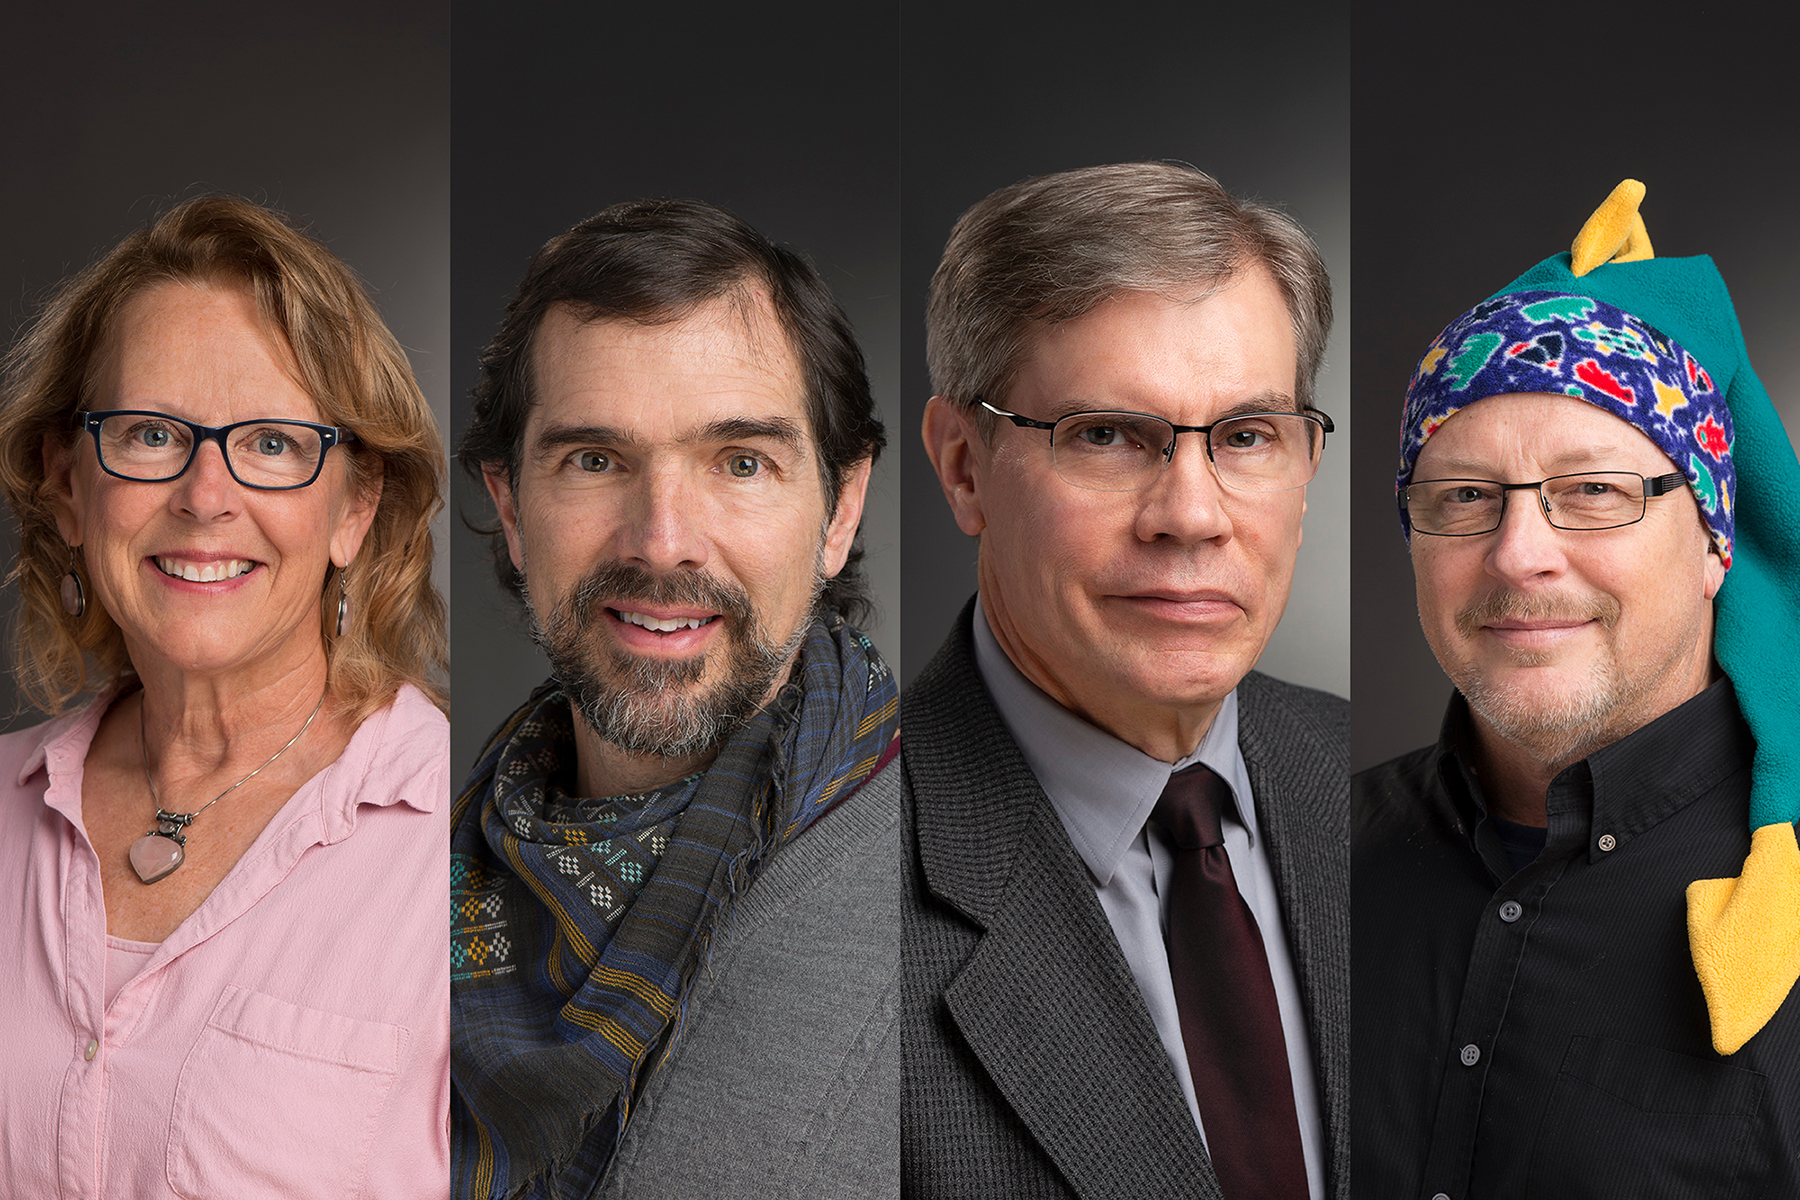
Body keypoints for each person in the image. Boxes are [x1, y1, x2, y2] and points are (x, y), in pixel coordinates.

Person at [904, 162, 1348, 1200]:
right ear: (964, 466)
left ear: (1306, 468)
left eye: (1246, 437)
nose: (1190, 516)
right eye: (1106, 436)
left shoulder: (1377, 803)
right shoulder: (838, 877)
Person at [1354, 180, 1800, 1198]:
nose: (1519, 555)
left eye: (1593, 492)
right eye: (1465, 496)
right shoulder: (1297, 853)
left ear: (1713, 544)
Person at [0, 196, 450, 1198]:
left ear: (357, 506)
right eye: (152, 433)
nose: (206, 497)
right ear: (68, 485)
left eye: (275, 443)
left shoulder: (465, 848)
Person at [450, 197, 899, 1199]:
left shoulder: (947, 863)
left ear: (841, 508)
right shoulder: (423, 874)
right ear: (512, 511)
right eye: (595, 461)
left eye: (741, 463)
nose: (661, 540)